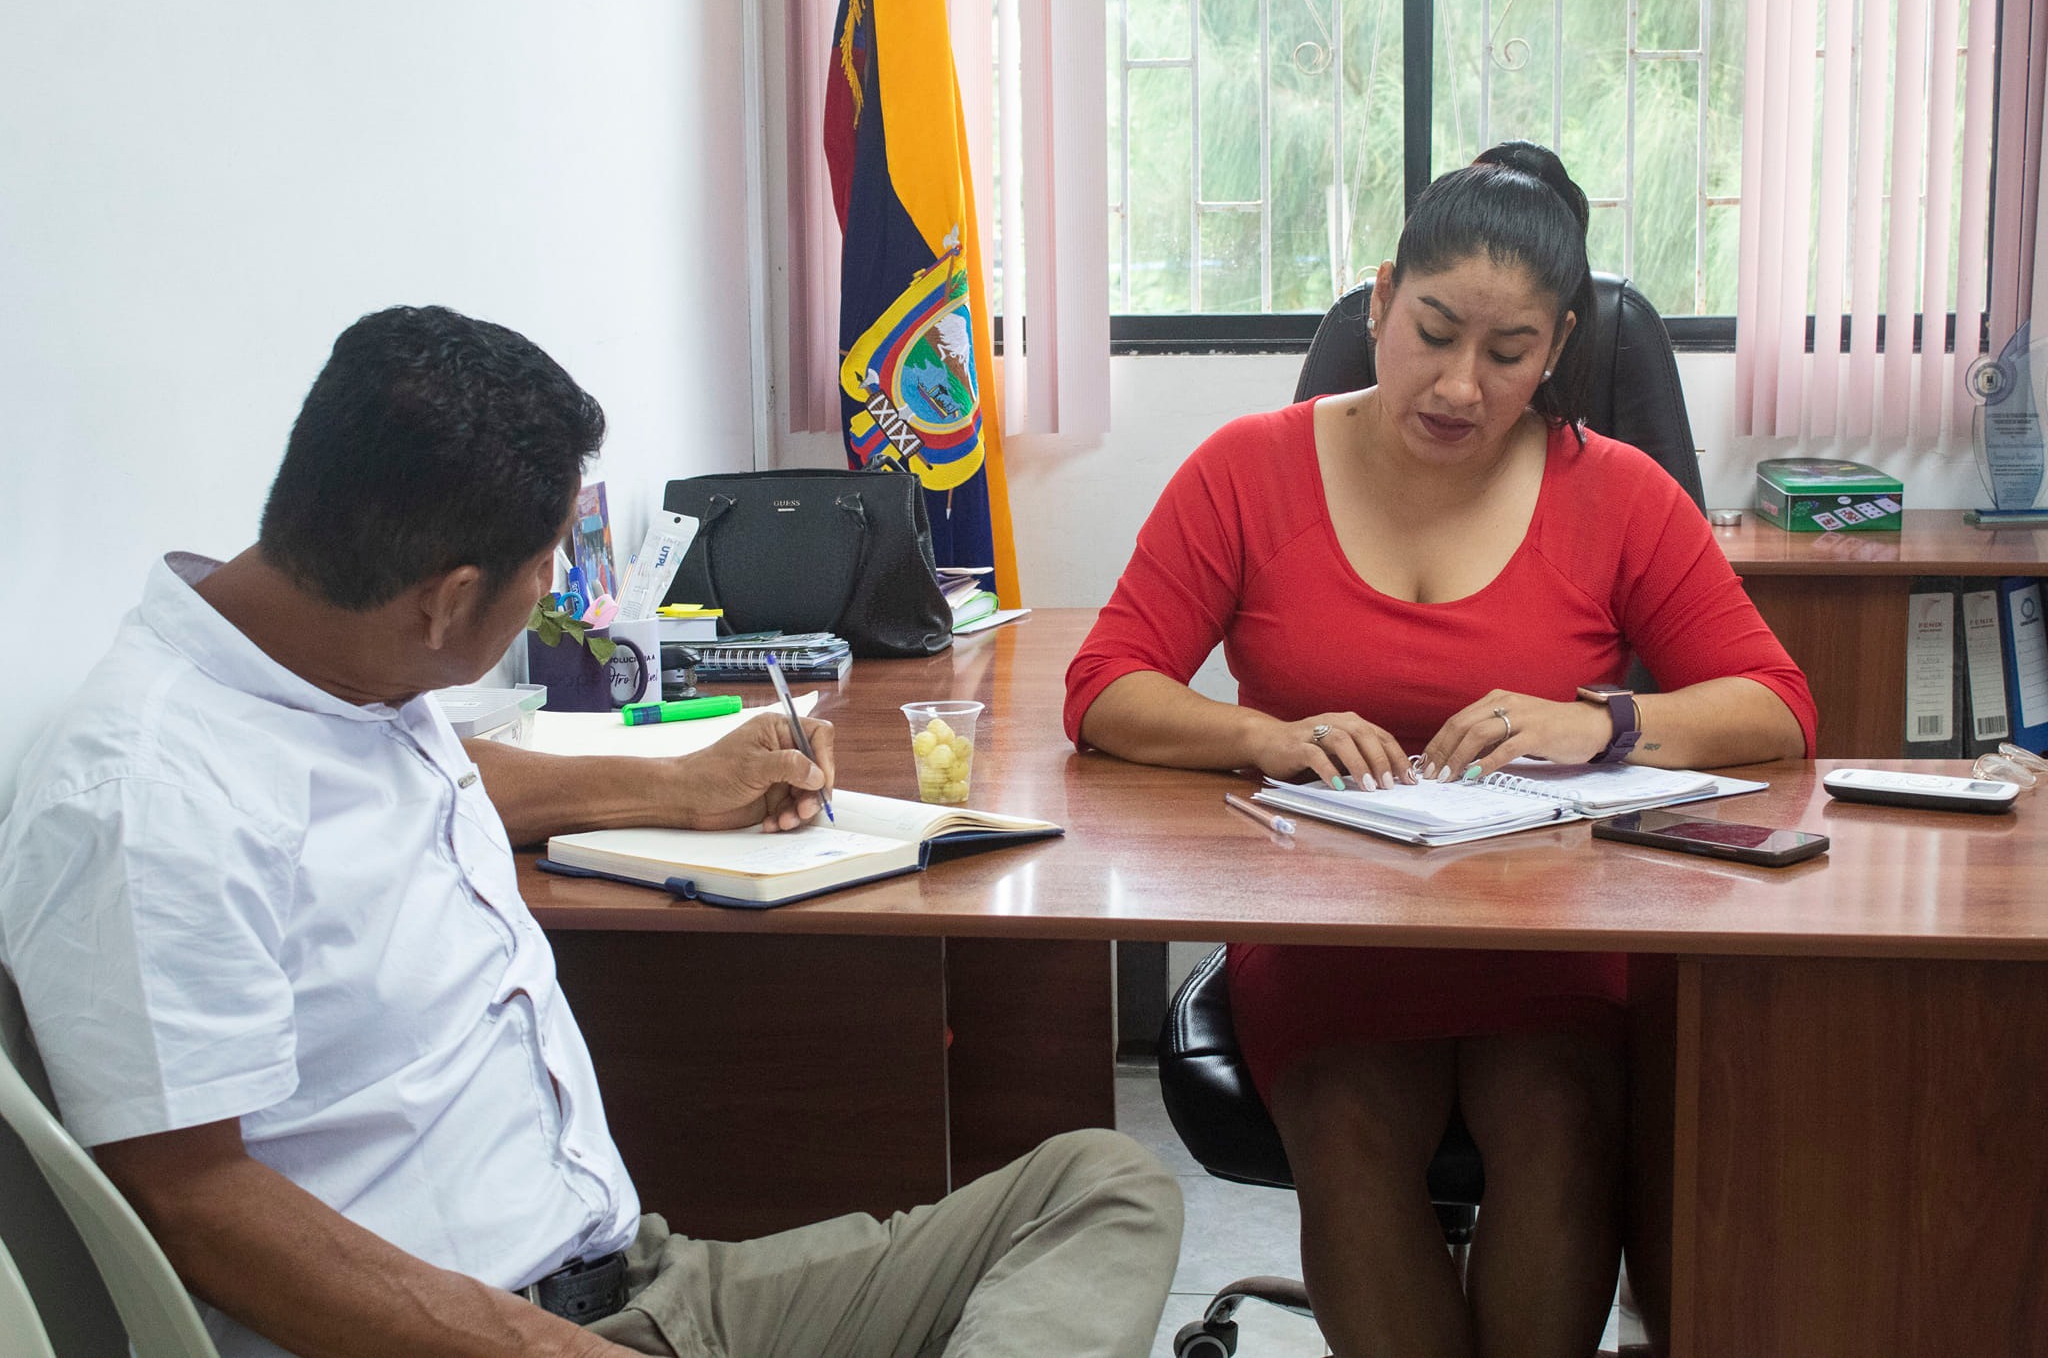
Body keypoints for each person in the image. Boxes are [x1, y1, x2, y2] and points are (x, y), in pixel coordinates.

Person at [0, 305, 1182, 1358]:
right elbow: (193, 1202)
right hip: (478, 1333)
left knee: (1100, 1186)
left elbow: (425, 792)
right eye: (549, 564)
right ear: (447, 600)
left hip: (641, 1282)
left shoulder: (332, 659)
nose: (560, 583)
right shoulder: (146, 799)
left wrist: (678, 788)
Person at [1063, 142, 1814, 1358]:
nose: (1460, 384)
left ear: (1556, 348)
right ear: (1378, 301)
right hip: (1327, 926)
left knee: (1563, 1123)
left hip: (1550, 929)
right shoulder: (1247, 470)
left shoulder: (1614, 493)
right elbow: (1105, 686)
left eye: (1507, 352)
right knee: (1350, 1126)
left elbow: (1776, 703)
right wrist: (1265, 735)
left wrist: (1602, 721)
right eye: (1432, 332)